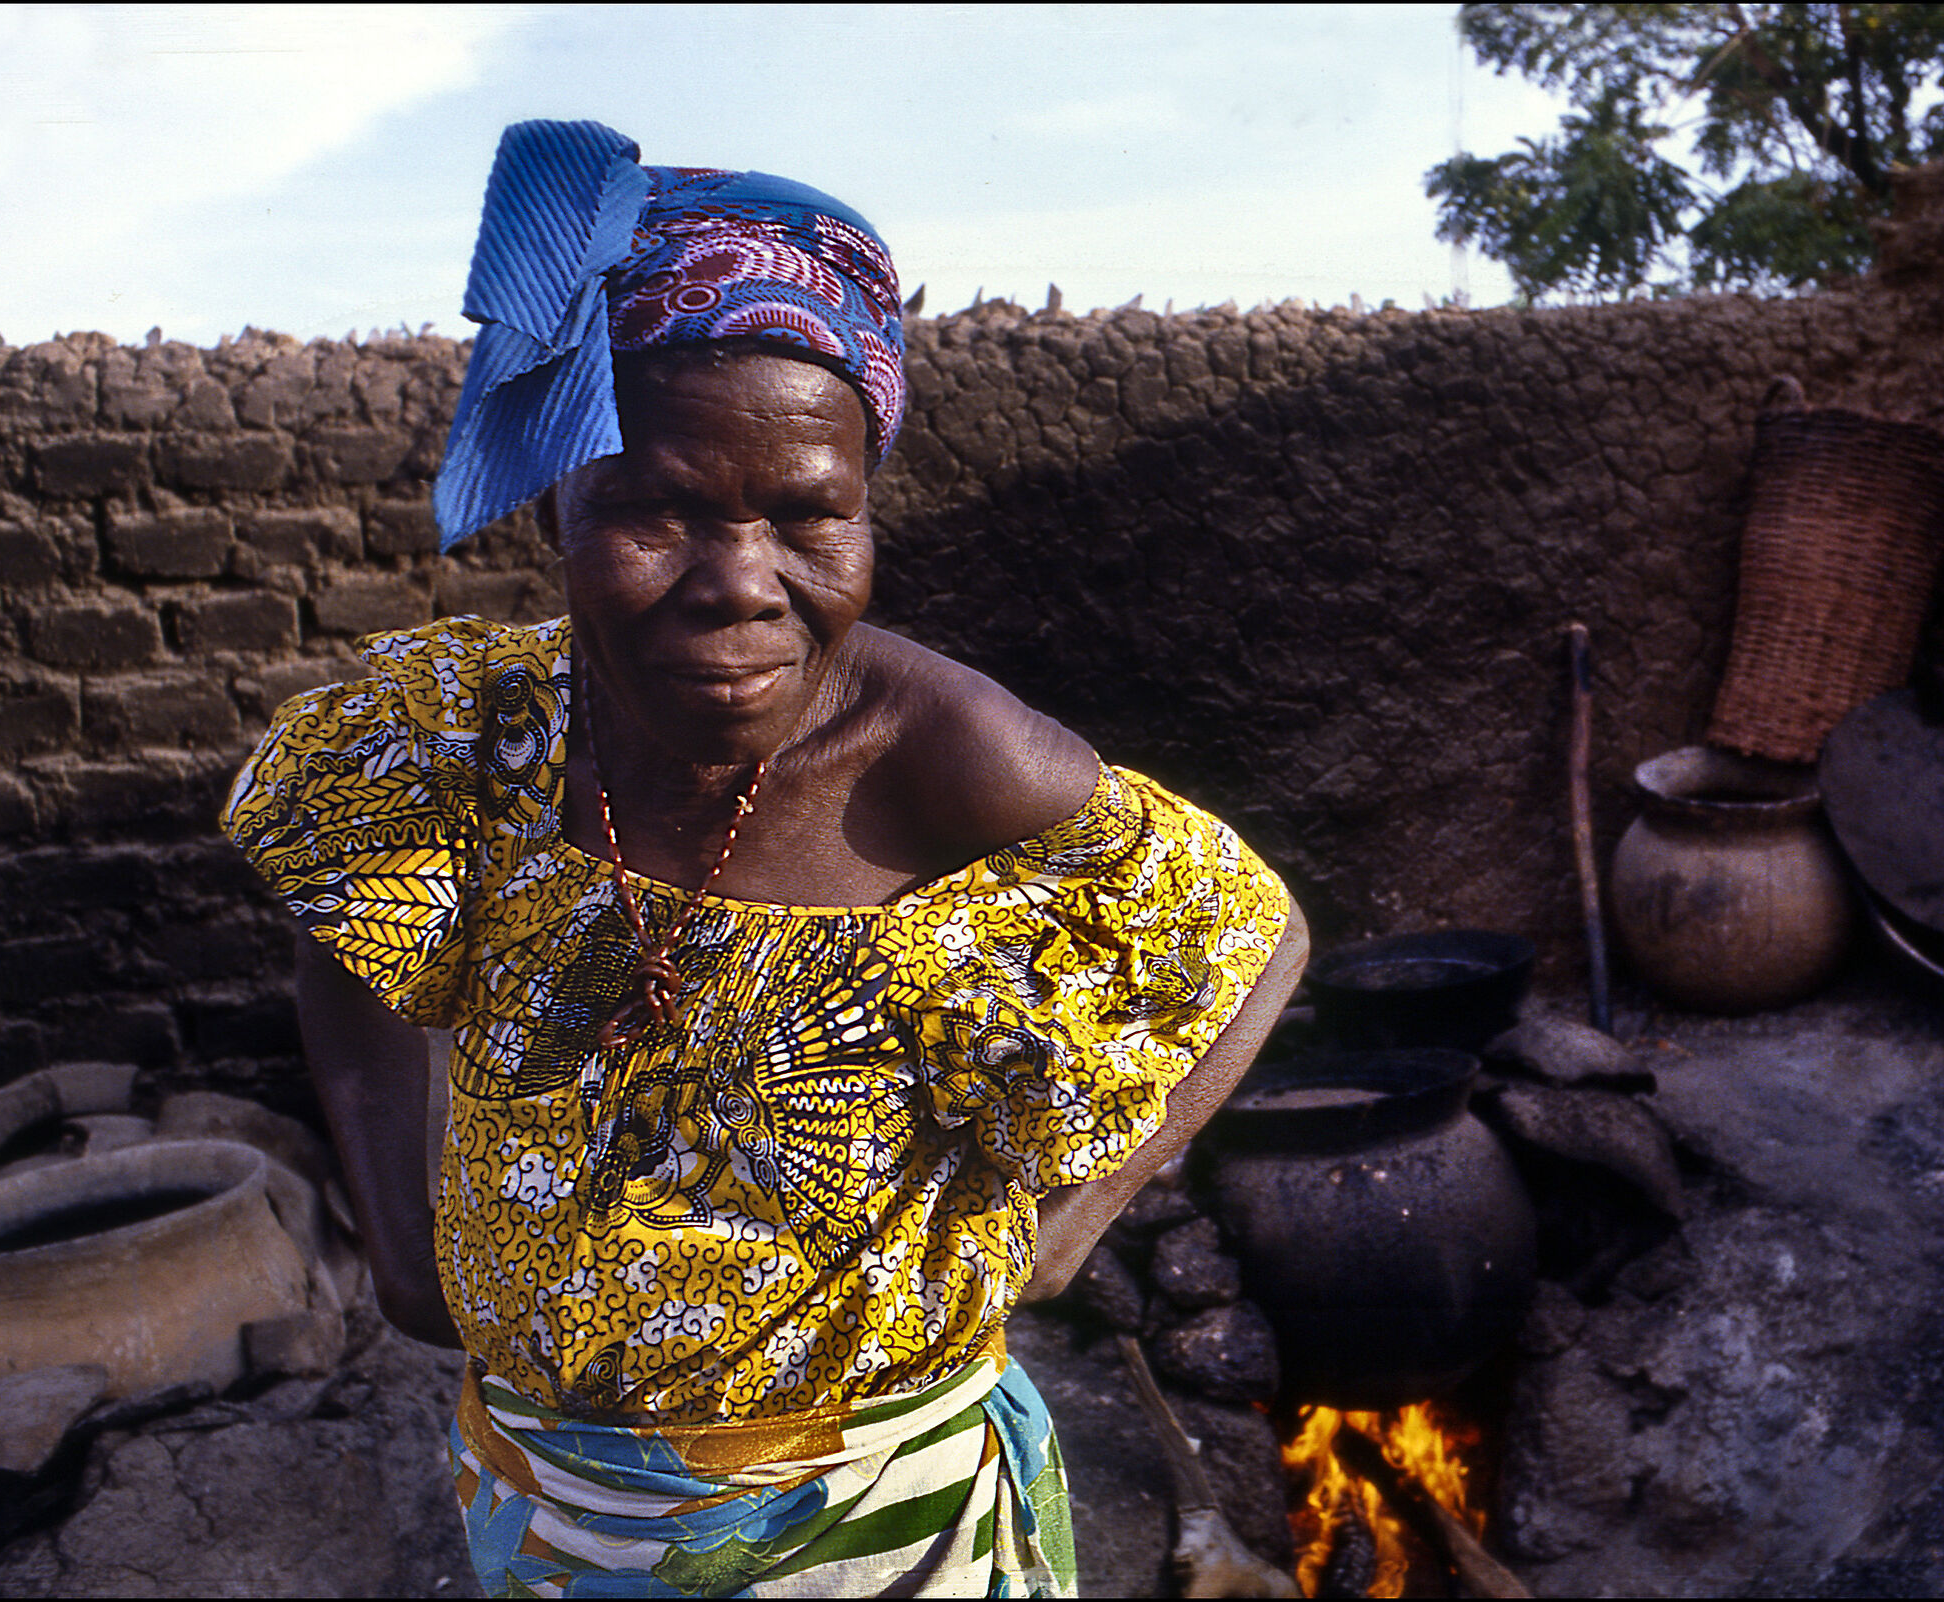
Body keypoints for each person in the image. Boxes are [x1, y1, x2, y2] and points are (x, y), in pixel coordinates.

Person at [221, 120, 1305, 1598]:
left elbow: (1252, 931)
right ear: (559, 500)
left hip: (889, 1532)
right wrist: (405, 1252)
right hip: (553, 1512)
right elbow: (340, 926)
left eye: (808, 515)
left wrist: (1073, 1225)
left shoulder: (941, 751)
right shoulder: (465, 740)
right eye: (653, 510)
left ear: (864, 503)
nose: (738, 583)